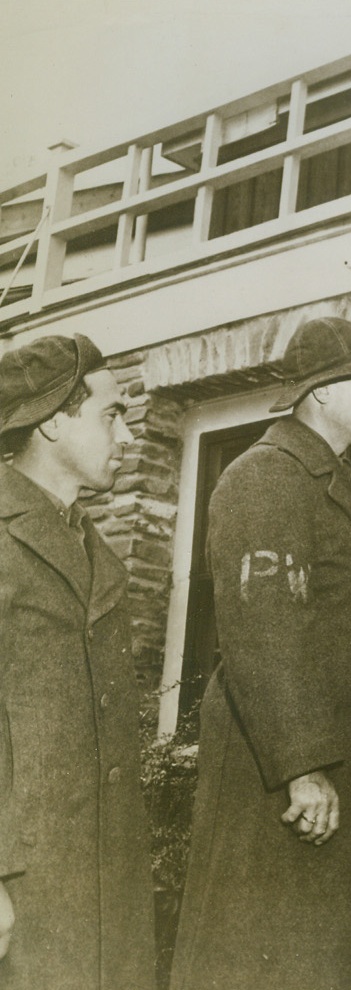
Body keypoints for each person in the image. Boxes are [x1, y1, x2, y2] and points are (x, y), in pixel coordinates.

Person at [171, 317, 351, 990]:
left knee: (312, 957)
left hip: (327, 767)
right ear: (324, 393)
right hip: (276, 773)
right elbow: (261, 629)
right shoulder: (266, 479)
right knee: (259, 953)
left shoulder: (337, 482)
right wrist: (303, 767)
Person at [0, 334, 153, 990]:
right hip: (25, 882)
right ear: (55, 420)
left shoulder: (94, 550)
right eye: (111, 414)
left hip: (102, 874)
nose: (127, 434)